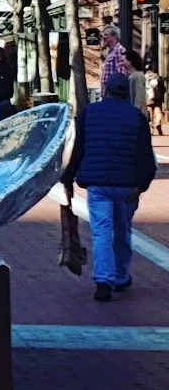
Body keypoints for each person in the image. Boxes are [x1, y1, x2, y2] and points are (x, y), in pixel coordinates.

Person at [61, 72, 156, 302]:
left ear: (105, 90)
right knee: (122, 231)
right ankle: (121, 276)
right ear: (126, 92)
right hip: (126, 184)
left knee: (101, 231)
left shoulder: (88, 114)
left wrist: (68, 178)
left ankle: (103, 279)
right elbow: (145, 156)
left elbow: (79, 150)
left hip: (97, 184)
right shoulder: (137, 117)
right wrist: (142, 185)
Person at [100, 24, 127, 98]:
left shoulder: (119, 50)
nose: (103, 37)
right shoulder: (110, 52)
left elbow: (122, 72)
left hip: (114, 93)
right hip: (107, 92)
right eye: (101, 35)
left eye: (105, 35)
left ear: (114, 37)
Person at [123, 50, 148, 119]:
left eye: (123, 60)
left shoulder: (138, 76)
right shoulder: (131, 75)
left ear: (130, 61)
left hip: (137, 115)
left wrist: (135, 113)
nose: (121, 63)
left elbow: (139, 98)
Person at [145, 64, 165, 136]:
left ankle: (150, 128)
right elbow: (163, 88)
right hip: (157, 98)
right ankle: (157, 123)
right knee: (158, 112)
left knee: (150, 114)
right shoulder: (158, 77)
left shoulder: (144, 77)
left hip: (148, 98)